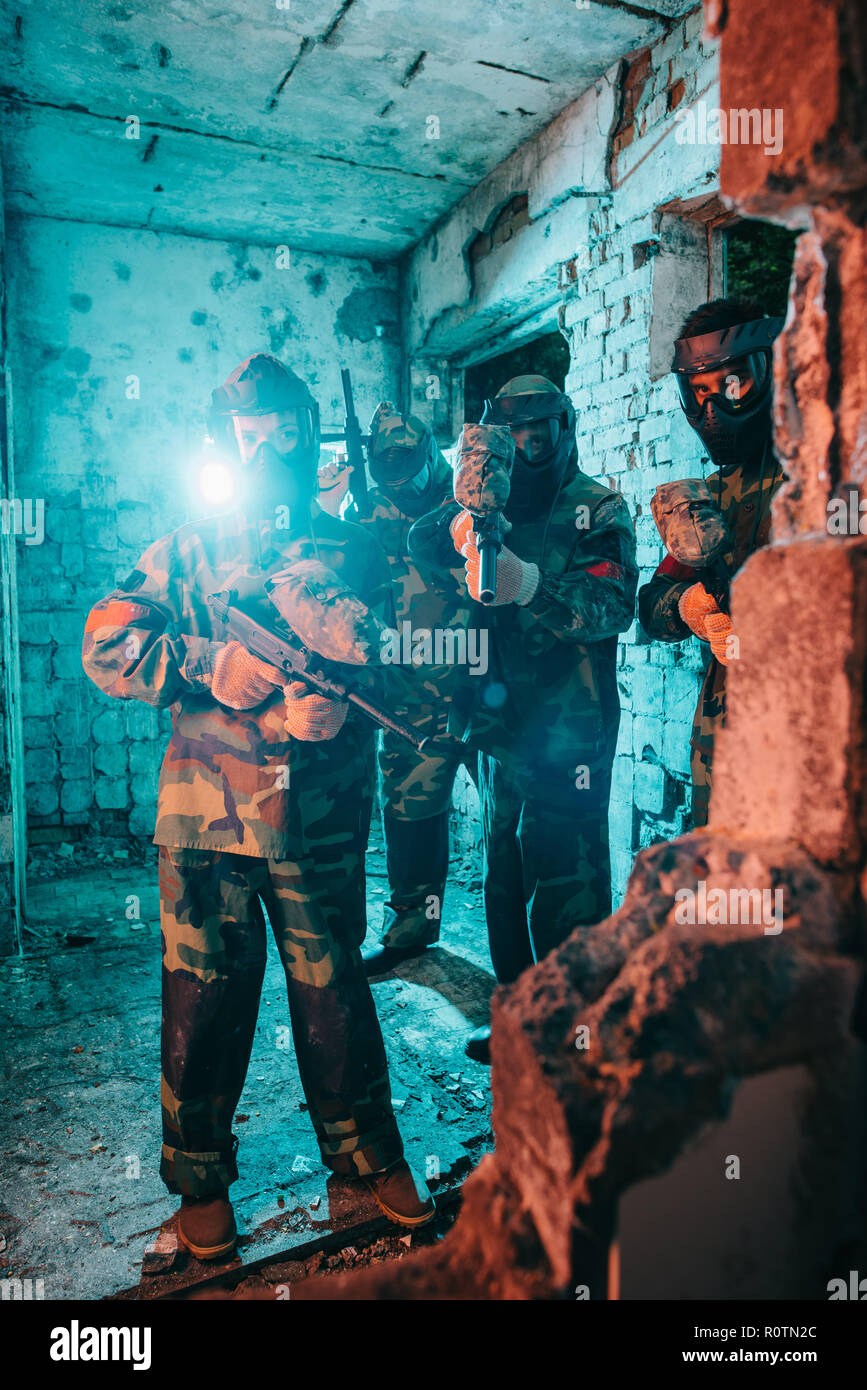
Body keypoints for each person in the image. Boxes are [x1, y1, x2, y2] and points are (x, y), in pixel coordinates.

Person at [81, 354, 434, 1259]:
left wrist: (338, 704)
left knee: (334, 994)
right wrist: (208, 666)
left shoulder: (358, 548)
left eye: (287, 428)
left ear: (309, 432)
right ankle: (199, 1184)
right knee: (201, 999)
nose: (270, 443)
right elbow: (107, 642)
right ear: (224, 440)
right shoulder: (187, 548)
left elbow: (406, 666)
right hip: (209, 820)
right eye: (251, 430)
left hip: (320, 821)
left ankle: (364, 1158)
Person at [409, 375, 637, 1062]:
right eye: (515, 432)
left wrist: (531, 584)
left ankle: (577, 1027)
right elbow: (424, 543)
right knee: (503, 865)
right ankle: (515, 1009)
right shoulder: (491, 504)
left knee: (565, 874)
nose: (530, 443)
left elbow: (612, 608)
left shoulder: (595, 507)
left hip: (572, 723)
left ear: (563, 427)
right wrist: (466, 509)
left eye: (541, 429)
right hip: (499, 722)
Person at [318, 403, 475, 976]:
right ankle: (413, 930)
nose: (403, 480)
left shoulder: (469, 501)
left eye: (411, 467)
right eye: (390, 471)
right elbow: (329, 585)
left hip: (487, 688)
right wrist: (330, 509)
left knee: (515, 823)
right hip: (409, 697)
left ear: (431, 455)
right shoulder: (365, 515)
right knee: (411, 815)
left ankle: (534, 960)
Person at [637, 299, 784, 826]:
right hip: (723, 747)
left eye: (731, 385)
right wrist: (691, 606)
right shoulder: (712, 496)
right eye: (699, 393)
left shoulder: (837, 479)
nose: (713, 408)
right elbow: (652, 605)